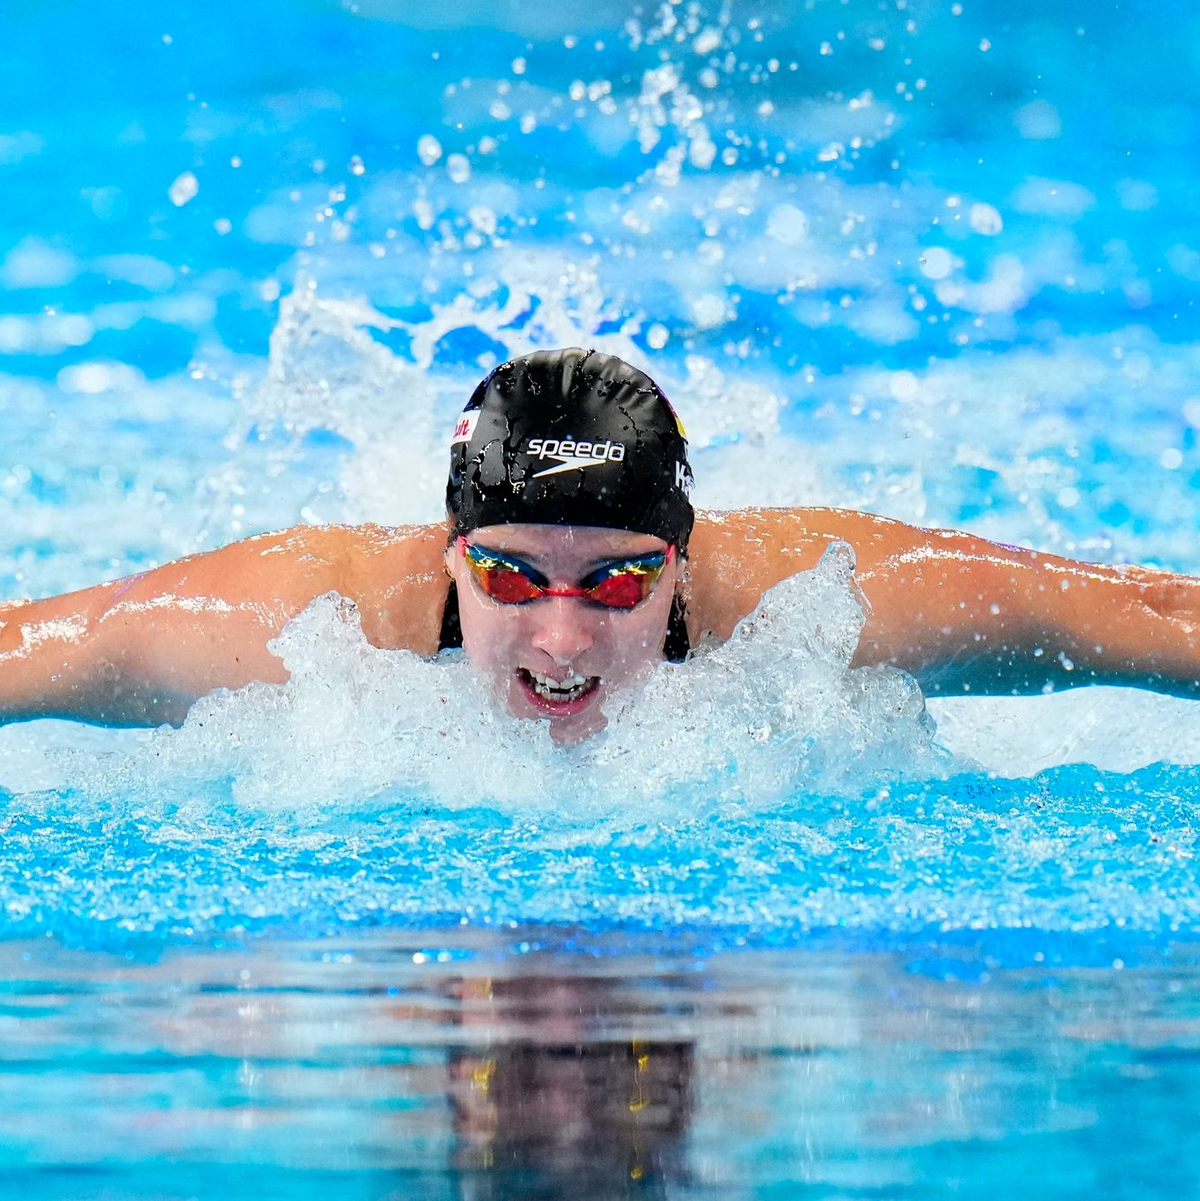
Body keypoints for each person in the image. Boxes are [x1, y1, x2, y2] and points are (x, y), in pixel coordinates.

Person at [2, 347, 1199, 743]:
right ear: (451, 558)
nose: (562, 639)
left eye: (620, 579)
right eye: (513, 575)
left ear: (681, 562)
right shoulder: (300, 630)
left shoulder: (825, 603)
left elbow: (1158, 617)